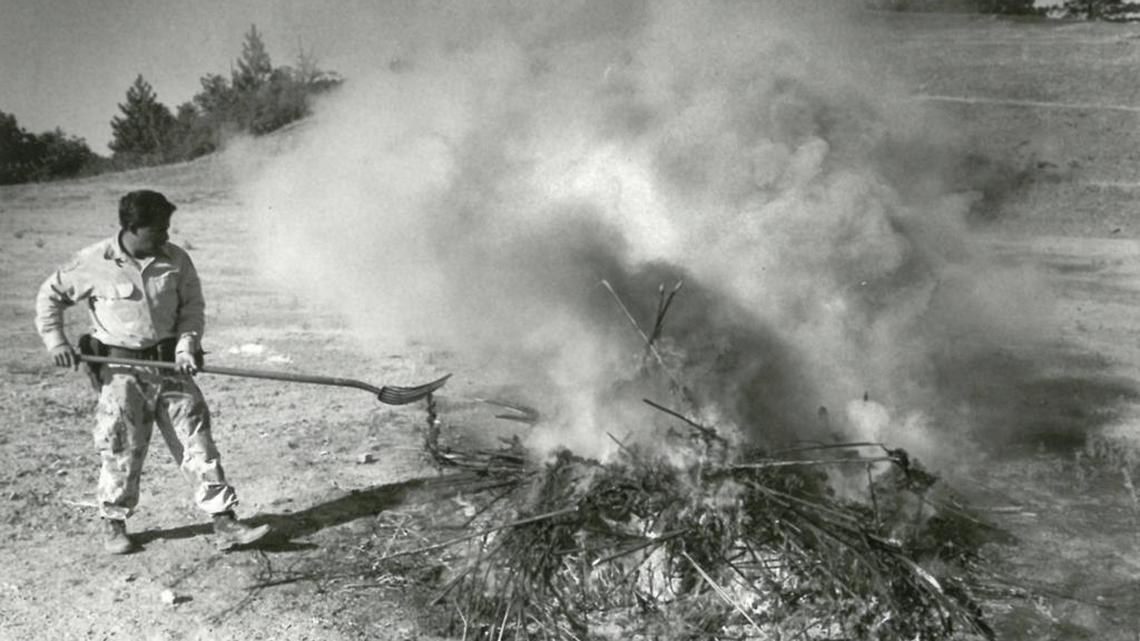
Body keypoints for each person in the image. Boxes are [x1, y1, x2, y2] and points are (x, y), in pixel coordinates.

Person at [34, 189, 270, 555]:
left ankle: (224, 520)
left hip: (172, 366)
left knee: (198, 442)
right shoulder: (94, 261)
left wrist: (187, 346)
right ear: (132, 227)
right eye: (158, 228)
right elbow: (50, 296)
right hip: (122, 372)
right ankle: (114, 522)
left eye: (167, 227)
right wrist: (57, 343)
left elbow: (192, 309)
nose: (165, 235)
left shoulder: (177, 260)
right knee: (121, 447)